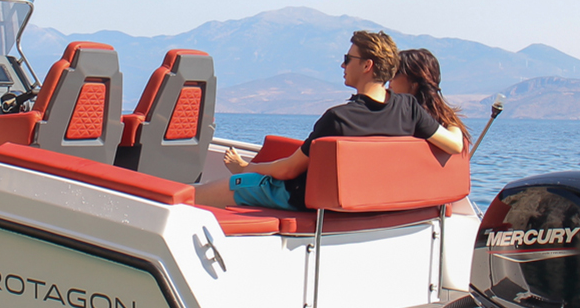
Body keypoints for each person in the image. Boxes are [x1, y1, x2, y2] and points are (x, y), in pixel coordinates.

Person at [194, 31, 464, 211]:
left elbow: (288, 171)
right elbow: (455, 144)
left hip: (295, 196)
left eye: (348, 59)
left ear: (367, 65)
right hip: (365, 202)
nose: (343, 65)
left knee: (192, 196)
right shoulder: (410, 108)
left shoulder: (339, 118)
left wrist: (247, 167)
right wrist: (450, 119)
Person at [389, 47, 472, 148]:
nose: (389, 79)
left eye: (395, 73)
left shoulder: (408, 116)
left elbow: (456, 145)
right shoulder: (448, 123)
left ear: (415, 82)